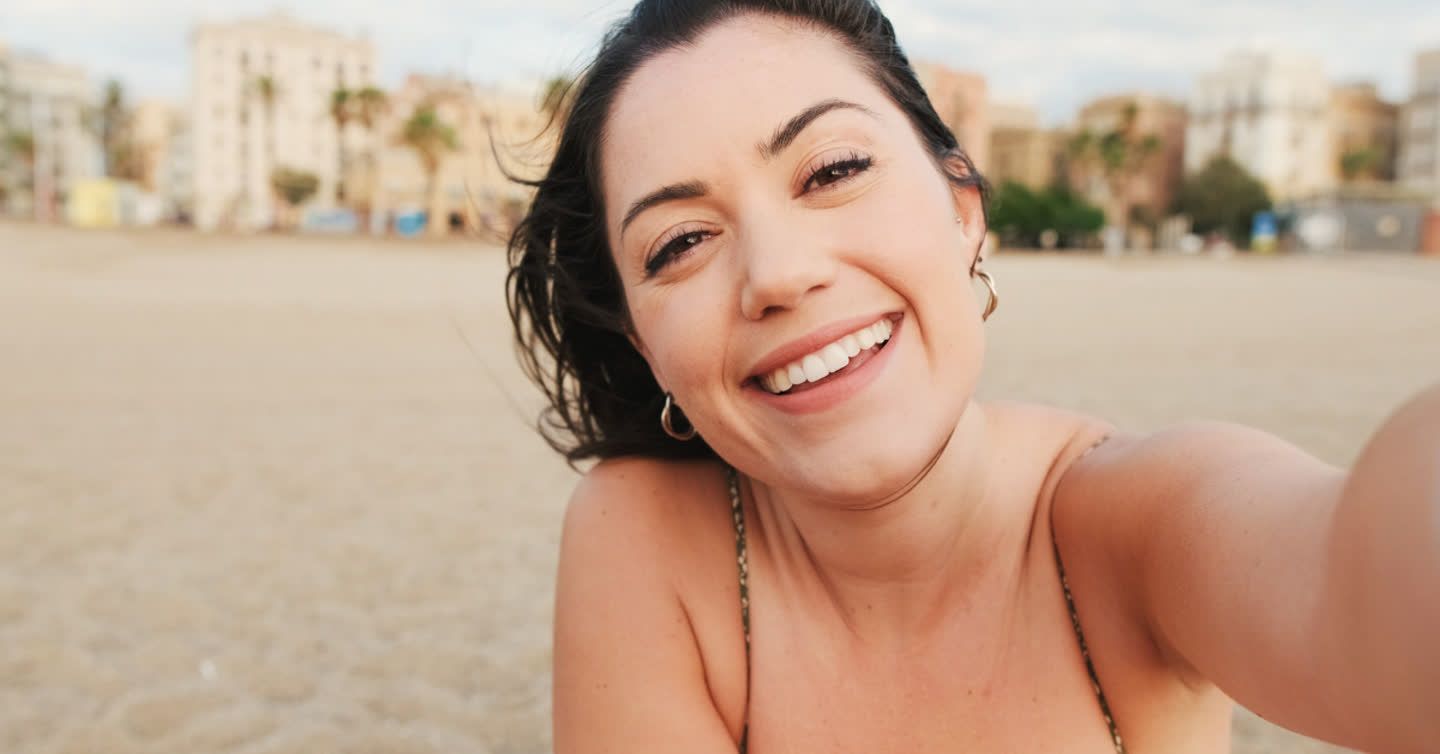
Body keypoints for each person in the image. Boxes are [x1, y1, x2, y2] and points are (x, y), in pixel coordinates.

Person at [505, 1, 1440, 751]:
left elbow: (1363, 594)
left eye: (831, 169)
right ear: (641, 341)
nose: (779, 273)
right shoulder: (648, 537)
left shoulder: (1138, 522)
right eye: (681, 242)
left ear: (963, 209)